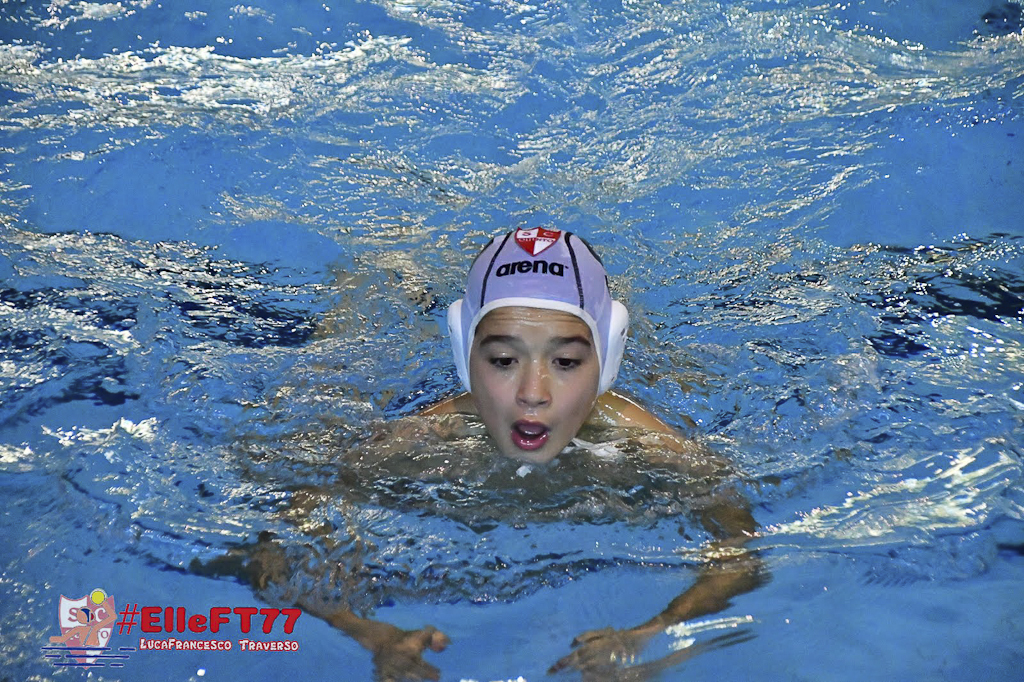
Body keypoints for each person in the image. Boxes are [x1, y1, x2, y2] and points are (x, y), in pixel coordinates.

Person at [198, 227, 762, 681]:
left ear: (606, 359)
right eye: (502, 361)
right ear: (465, 355)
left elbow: (742, 556)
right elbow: (274, 553)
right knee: (329, 377)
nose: (533, 393)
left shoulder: (658, 449)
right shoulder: (415, 441)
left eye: (567, 362)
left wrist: (650, 636)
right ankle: (381, 274)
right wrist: (369, 634)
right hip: (404, 379)